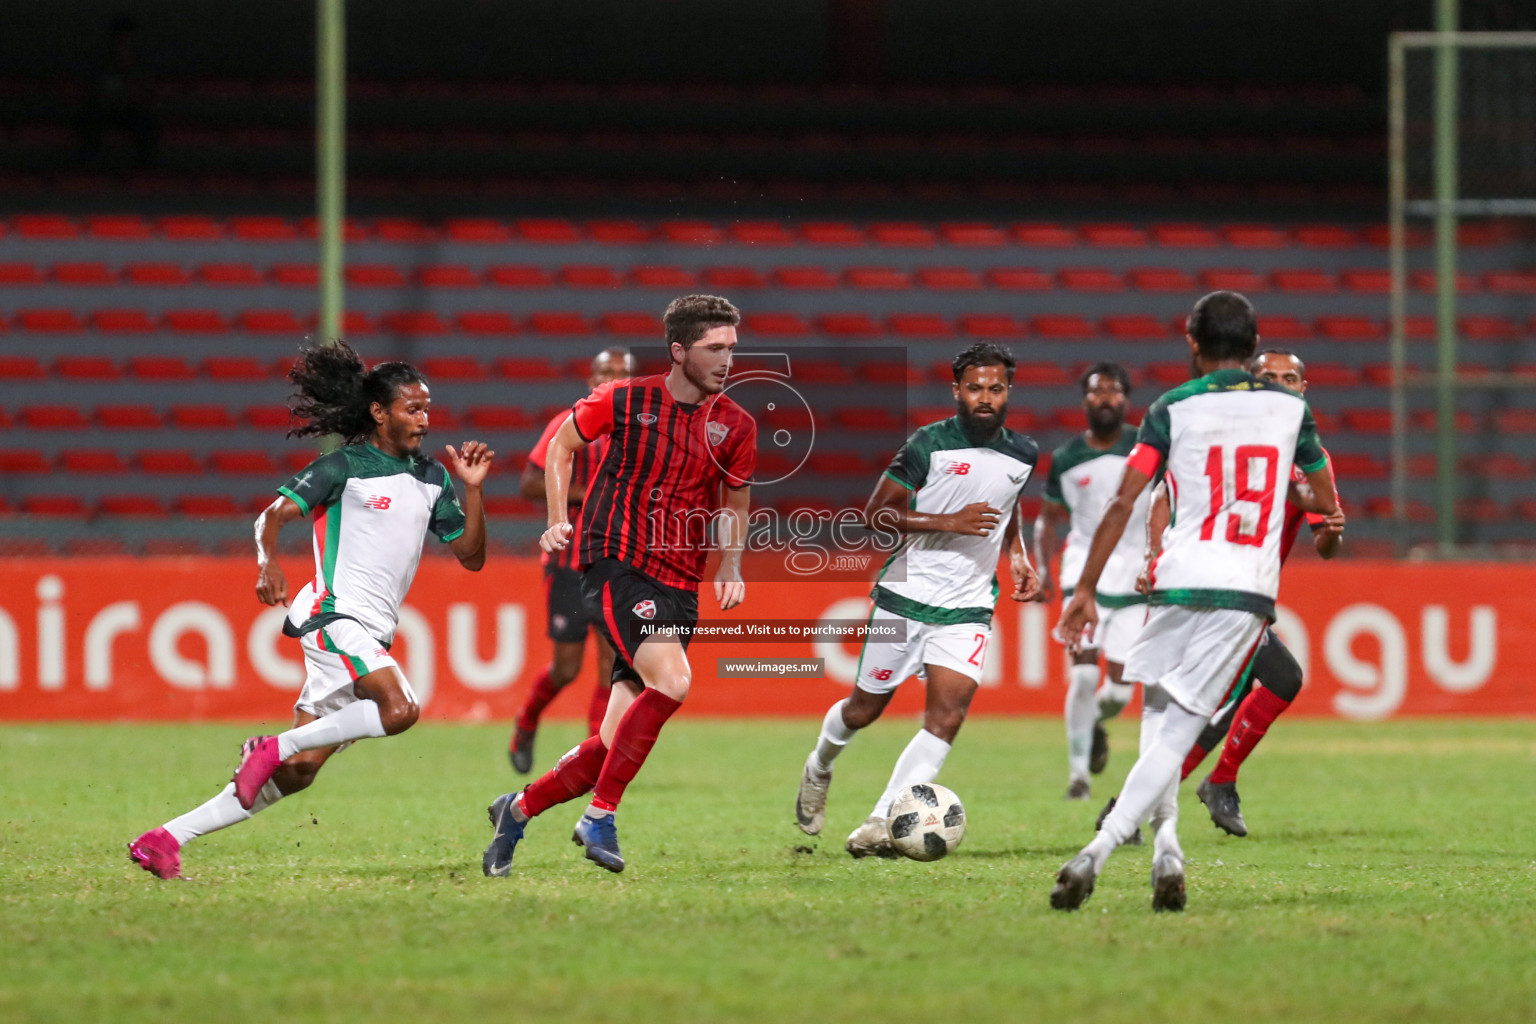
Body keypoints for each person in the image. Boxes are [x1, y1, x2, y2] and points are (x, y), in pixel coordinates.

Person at [128, 341, 492, 879]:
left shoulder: (432, 478)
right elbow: (272, 516)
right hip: (332, 617)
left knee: (297, 772)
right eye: (411, 409)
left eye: (427, 408)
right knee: (401, 709)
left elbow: (472, 557)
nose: (423, 419)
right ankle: (272, 746)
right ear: (379, 412)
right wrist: (266, 564)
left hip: (370, 631)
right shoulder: (342, 466)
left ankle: (163, 838)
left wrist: (473, 490)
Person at [1050, 292, 1342, 913]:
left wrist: (1082, 588)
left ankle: (1166, 849)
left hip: (1174, 579)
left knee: (1159, 720)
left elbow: (1125, 500)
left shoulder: (1170, 407)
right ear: (1254, 342)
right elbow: (1320, 494)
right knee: (1176, 729)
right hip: (1241, 590)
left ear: (1191, 342)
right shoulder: (1293, 411)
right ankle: (1100, 851)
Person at [482, 295, 756, 876]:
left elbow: (736, 498)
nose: (727, 360)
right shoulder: (625, 399)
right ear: (679, 351)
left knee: (613, 740)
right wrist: (557, 517)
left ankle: (519, 808)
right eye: (714, 349)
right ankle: (600, 815)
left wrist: (730, 563)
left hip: (681, 579)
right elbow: (561, 446)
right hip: (618, 562)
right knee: (675, 680)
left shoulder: (736, 425)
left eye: (732, 348)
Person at [794, 342, 1042, 858]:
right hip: (906, 597)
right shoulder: (928, 444)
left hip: (969, 605)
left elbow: (1008, 502)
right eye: (974, 387)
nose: (984, 397)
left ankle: (881, 821)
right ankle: (819, 765)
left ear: (1007, 391)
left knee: (946, 717)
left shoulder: (1024, 453)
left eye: (995, 388)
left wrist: (1018, 554)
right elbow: (874, 512)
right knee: (863, 711)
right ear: (957, 390)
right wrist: (948, 522)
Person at [1173, 349, 1342, 835]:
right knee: (1227, 698)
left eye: (1291, 378)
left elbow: (1326, 540)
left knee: (1267, 683)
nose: (1281, 385)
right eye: (1269, 378)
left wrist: (1330, 530)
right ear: (1252, 383)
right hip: (1212, 588)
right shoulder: (1225, 439)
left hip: (1247, 596)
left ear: (1303, 389)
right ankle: (1149, 799)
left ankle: (1203, 784)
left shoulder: (1309, 454)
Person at [509, 346, 638, 773]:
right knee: (566, 668)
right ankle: (526, 722)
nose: (613, 379)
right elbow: (530, 482)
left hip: (616, 564)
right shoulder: (568, 425)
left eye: (622, 374)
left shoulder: (641, 431)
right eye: (606, 372)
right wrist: (589, 495)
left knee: (609, 667)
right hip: (568, 563)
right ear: (591, 379)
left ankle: (592, 762)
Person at [1033, 362, 1149, 801]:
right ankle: (1078, 776)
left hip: (1135, 576)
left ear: (1125, 399)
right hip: (1082, 575)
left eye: (1113, 391)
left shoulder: (1145, 445)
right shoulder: (1066, 458)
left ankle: (1097, 722)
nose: (1105, 399)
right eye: (1097, 392)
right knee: (1082, 679)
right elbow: (1047, 520)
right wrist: (1045, 568)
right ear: (1085, 401)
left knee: (1119, 691)